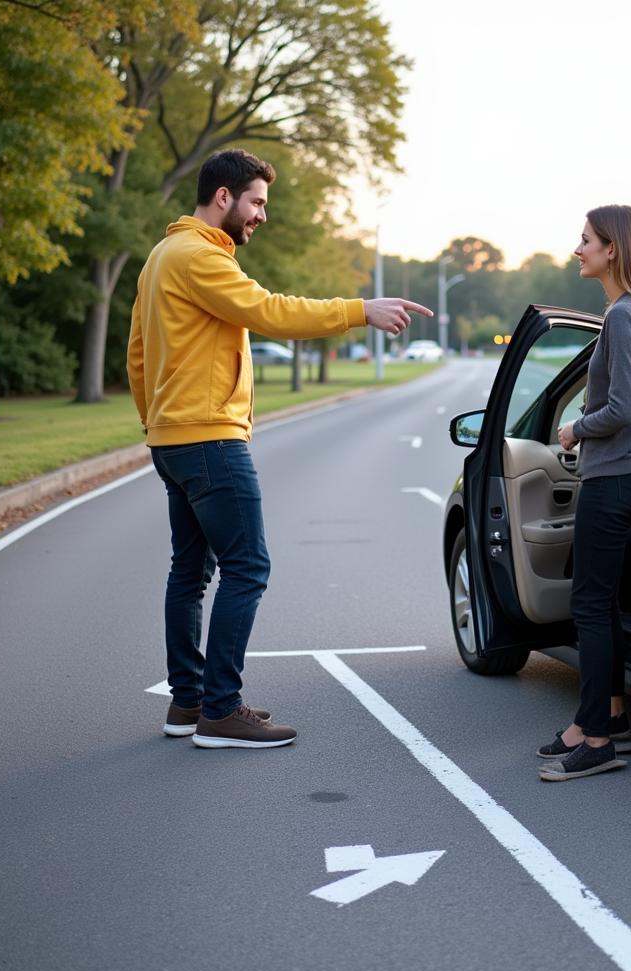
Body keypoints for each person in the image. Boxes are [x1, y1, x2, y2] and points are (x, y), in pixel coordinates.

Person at [127, 148, 432, 750]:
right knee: (247, 567)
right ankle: (220, 711)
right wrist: (358, 310)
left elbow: (138, 354)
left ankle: (186, 704)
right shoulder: (199, 257)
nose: (261, 214)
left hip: (174, 437)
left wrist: (155, 423)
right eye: (257, 202)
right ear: (224, 198)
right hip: (209, 437)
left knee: (190, 572)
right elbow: (269, 311)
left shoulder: (161, 257)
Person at [538, 205, 631, 782]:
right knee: (605, 602)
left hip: (610, 475)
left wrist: (572, 428)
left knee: (588, 605)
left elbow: (617, 410)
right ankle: (609, 717)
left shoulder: (620, 316)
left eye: (585, 240)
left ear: (612, 249)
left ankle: (594, 739)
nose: (577, 248)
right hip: (628, 475)